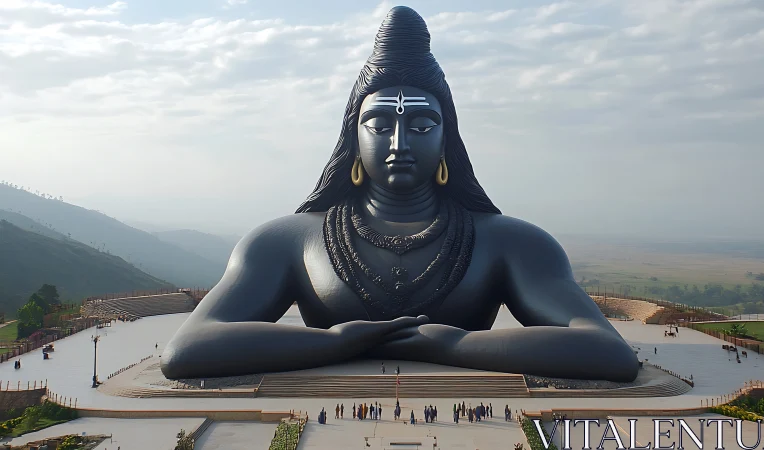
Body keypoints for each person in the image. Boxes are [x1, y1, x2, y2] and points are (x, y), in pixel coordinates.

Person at [159, 5, 638, 385]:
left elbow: (606, 350)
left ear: (447, 138)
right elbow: (188, 350)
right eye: (380, 123)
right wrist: (337, 341)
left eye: (421, 124)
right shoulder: (285, 241)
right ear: (353, 135)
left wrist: (446, 344)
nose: (399, 144)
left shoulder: (512, 242)